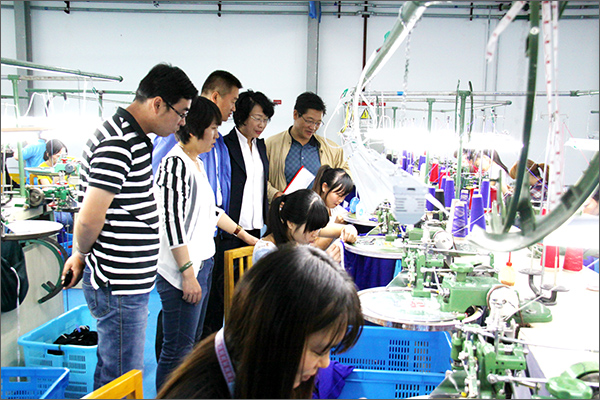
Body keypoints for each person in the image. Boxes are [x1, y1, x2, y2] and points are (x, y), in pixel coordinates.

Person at [60, 63, 198, 389]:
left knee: (118, 373)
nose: (182, 122)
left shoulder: (131, 137)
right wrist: (80, 253)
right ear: (158, 104)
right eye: (181, 113)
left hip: (126, 283)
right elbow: (90, 217)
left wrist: (80, 255)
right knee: (121, 379)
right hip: (118, 285)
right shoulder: (119, 142)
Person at [156, 244, 364, 399]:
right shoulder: (201, 392)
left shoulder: (264, 374)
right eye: (318, 350)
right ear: (276, 333)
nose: (326, 363)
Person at [154, 96, 258, 391]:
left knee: (191, 344)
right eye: (212, 128)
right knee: (177, 349)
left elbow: (212, 212)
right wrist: (187, 274)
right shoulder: (175, 165)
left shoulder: (196, 163)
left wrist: (246, 236)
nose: (216, 135)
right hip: (182, 271)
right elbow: (172, 224)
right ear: (193, 129)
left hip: (202, 263)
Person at [202, 90, 275, 341]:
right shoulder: (224, 144)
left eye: (266, 119)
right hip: (229, 230)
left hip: (254, 231)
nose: (262, 125)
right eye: (257, 118)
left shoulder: (261, 146)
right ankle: (211, 348)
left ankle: (237, 346)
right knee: (218, 297)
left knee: (245, 296)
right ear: (242, 116)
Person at [265, 92, 349, 203]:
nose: (313, 127)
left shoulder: (332, 149)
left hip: (318, 211)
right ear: (295, 114)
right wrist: (274, 194)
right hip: (283, 210)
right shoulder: (271, 145)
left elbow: (346, 176)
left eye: (318, 123)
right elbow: (258, 179)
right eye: (309, 121)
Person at [253, 189, 357, 264]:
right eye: (312, 230)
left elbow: (341, 229)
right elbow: (291, 286)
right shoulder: (265, 252)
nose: (316, 235)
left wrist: (349, 229)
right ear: (291, 223)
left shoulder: (301, 231)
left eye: (318, 229)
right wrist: (324, 263)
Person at [311, 164, 355, 252]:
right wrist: (337, 226)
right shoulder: (311, 210)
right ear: (324, 187)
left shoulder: (338, 210)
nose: (341, 200)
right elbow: (314, 247)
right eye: (338, 194)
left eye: (344, 196)